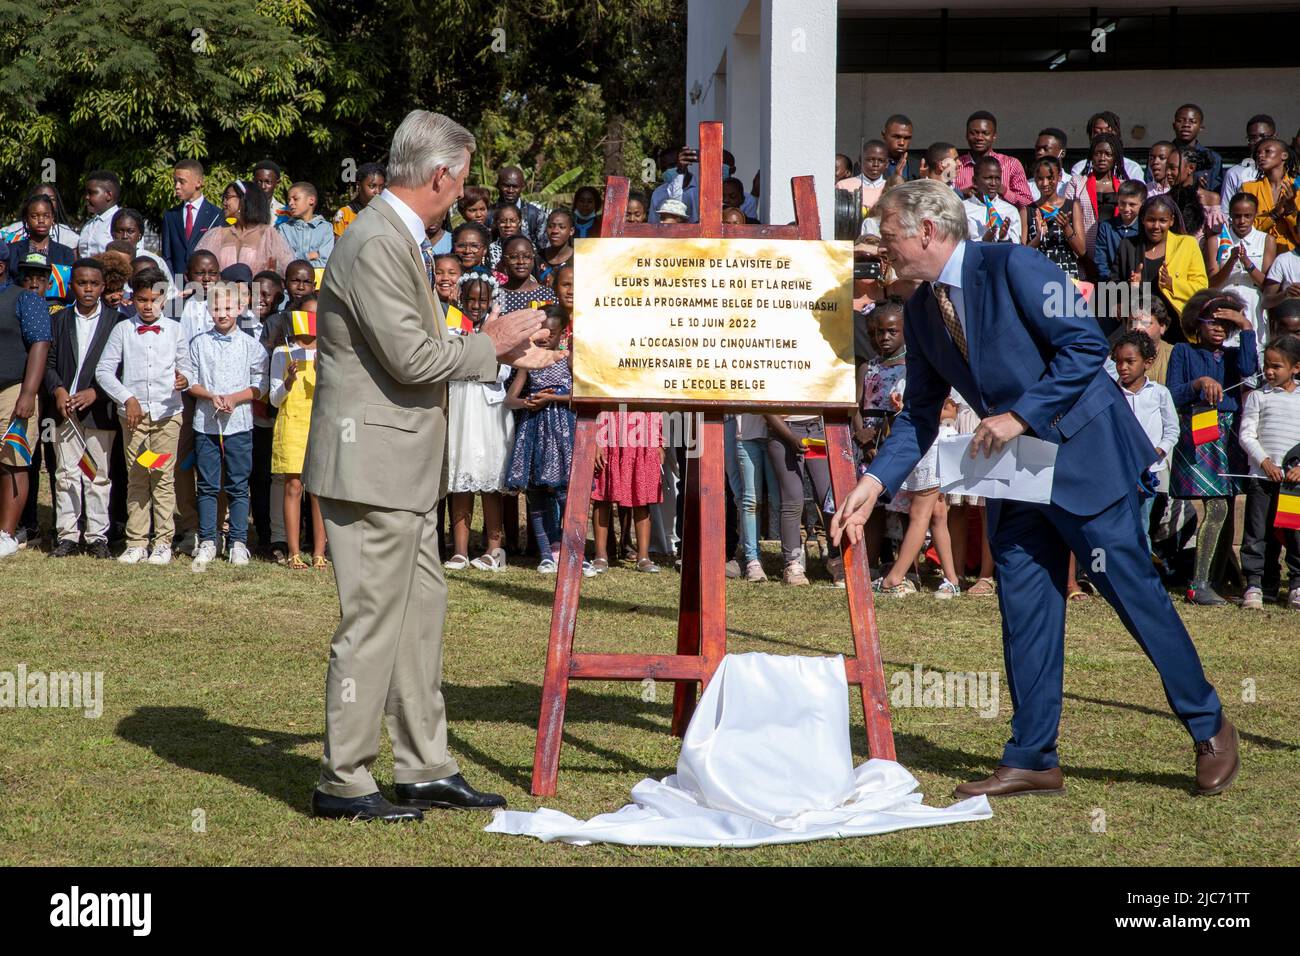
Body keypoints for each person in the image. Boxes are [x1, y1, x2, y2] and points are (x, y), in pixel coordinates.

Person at [831, 179, 1238, 798]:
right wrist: (872, 480)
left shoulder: (1015, 263)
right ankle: (1032, 757)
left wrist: (1020, 415)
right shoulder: (918, 310)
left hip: (1085, 462)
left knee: (1134, 598)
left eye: (887, 236)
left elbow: (1083, 347)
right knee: (1024, 613)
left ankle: (1209, 727)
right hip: (1015, 479)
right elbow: (918, 413)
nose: (880, 248)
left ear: (927, 232)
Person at [303, 109, 552, 822]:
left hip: (399, 467)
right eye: (464, 181)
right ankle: (343, 779)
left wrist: (497, 350)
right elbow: (411, 357)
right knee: (375, 623)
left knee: (419, 619)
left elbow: (415, 347)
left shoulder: (392, 235)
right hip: (372, 465)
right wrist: (493, 340)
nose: (467, 195)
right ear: (440, 176)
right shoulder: (378, 241)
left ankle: (423, 766)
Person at [1167, 290, 1257, 605]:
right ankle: (1199, 584)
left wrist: (1245, 325)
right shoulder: (1182, 351)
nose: (1219, 329)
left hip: (1229, 435)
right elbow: (1172, 394)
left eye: (1226, 324)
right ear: (1197, 322)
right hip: (1197, 433)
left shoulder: (1234, 356)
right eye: (1212, 322)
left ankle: (1216, 580)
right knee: (1217, 506)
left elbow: (1250, 372)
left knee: (1228, 505)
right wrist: (1198, 383)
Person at [94, 267, 187, 564]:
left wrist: (185, 378)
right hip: (134, 417)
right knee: (137, 474)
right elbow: (104, 371)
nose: (148, 306)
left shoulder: (175, 330)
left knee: (161, 475)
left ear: (164, 298)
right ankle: (136, 541)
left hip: (167, 415)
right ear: (133, 299)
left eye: (154, 299)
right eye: (142, 300)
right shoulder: (123, 330)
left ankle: (163, 541)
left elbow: (188, 367)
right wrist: (127, 398)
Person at [185, 276, 269, 570]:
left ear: (239, 308)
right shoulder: (198, 343)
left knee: (237, 483)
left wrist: (236, 397)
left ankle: (238, 542)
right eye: (216, 308)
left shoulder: (250, 345)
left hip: (240, 424)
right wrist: (209, 395)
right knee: (207, 484)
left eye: (228, 308)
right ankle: (208, 539)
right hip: (205, 423)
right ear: (208, 310)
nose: (222, 314)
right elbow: (189, 381)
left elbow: (262, 383)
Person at [44, 259, 124, 558]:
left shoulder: (117, 322)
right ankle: (67, 534)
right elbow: (48, 365)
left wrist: (96, 392)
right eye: (81, 283)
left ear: (103, 287)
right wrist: (59, 390)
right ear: (71, 285)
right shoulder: (59, 320)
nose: (87, 289)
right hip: (65, 410)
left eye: (93, 283)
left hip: (98, 411)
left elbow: (123, 370)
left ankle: (96, 536)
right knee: (65, 472)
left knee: (97, 474)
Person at [444, 273, 514, 572]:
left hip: (487, 410)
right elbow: (449, 364)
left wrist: (478, 350)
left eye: (482, 300)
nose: (475, 305)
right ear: (461, 299)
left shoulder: (500, 329)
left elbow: (499, 372)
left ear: (491, 301)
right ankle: (460, 549)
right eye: (470, 299)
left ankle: (494, 548)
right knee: (460, 477)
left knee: (488, 479)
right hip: (460, 405)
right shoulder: (450, 327)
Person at [505, 305, 580, 574]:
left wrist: (552, 398)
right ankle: (546, 554)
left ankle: (573, 552)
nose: (546, 336)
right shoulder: (528, 359)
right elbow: (509, 399)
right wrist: (527, 401)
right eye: (542, 331)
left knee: (565, 491)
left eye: (553, 331)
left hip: (563, 430)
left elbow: (580, 397)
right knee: (536, 492)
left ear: (563, 333)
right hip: (535, 428)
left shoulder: (568, 358)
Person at [1237, 334, 1300, 610]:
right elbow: (1246, 435)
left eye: (1277, 366)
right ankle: (1256, 584)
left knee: (1295, 533)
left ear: (1296, 368)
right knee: (1257, 531)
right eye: (1266, 365)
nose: (1270, 371)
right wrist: (1264, 462)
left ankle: (1296, 584)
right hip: (1262, 479)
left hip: (1293, 483)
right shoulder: (1258, 397)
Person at [0, 255, 53, 559]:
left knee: (12, 461)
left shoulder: (25, 300)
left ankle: (6, 533)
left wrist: (28, 393)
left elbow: (40, 344)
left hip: (13, 389)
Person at [1111, 331, 1178, 556]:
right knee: (1116, 523)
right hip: (1117, 469)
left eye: (1130, 361)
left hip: (1147, 471)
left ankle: (1142, 576)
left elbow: (1172, 430)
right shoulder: (1110, 394)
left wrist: (1158, 451)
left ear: (1148, 362)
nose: (1123, 367)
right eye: (1118, 362)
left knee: (1141, 524)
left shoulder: (1159, 393)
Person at [269, 308, 325, 569]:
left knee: (318, 491)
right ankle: (293, 552)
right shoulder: (283, 352)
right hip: (292, 424)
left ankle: (319, 552)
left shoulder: (328, 352)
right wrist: (288, 381)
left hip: (320, 426)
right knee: (293, 486)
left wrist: (323, 375)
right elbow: (273, 399)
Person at [1116, 194, 1208, 337]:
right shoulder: (1128, 245)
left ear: (1171, 221)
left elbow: (1202, 289)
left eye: (1162, 220)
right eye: (1151, 220)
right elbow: (1112, 284)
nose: (1156, 226)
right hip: (1140, 328)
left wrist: (1173, 284)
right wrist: (1131, 287)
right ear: (1142, 220)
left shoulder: (1187, 244)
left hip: (1177, 327)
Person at [1206, 192, 1275, 344]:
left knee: (1253, 350)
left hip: (1253, 304)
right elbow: (1212, 284)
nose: (1242, 221)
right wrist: (1231, 261)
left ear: (1255, 215)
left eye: (1247, 216)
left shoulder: (1266, 240)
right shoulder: (1216, 241)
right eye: (1237, 216)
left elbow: (1267, 284)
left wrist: (1247, 263)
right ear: (1230, 215)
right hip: (1224, 302)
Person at [196, 184, 295, 277]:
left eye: (228, 197)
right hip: (221, 293)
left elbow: (289, 270)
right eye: (224, 198)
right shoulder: (217, 234)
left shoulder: (268, 235)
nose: (224, 202)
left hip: (257, 293)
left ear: (244, 199)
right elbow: (197, 266)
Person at [1064, 133, 1129, 271]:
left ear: (1115, 157)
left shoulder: (1125, 186)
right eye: (1097, 153)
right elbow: (1068, 217)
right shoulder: (1077, 183)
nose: (1102, 158)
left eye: (1107, 154)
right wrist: (1085, 258)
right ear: (1091, 156)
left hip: (1117, 256)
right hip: (1083, 256)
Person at [954, 111, 1032, 209]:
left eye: (985, 133)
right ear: (966, 135)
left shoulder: (1011, 164)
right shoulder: (956, 165)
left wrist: (1004, 191)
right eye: (974, 133)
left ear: (994, 136)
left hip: (1004, 222)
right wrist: (961, 194)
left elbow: (1028, 203)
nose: (979, 138)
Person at [162, 159, 222, 277]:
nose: (176, 186)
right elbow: (167, 255)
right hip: (178, 283)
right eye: (175, 182)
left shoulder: (217, 215)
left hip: (206, 283)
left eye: (182, 182)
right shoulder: (170, 215)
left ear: (198, 182)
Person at [1242, 137, 1298, 255]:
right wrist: (1274, 214)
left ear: (1284, 156)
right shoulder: (1248, 188)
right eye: (1258, 153)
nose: (1261, 156)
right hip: (1258, 253)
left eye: (1268, 151)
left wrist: (1290, 210)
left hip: (1291, 254)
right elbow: (1245, 229)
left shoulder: (1297, 188)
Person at [1024, 157, 1078, 274]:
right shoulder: (1028, 210)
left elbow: (1081, 250)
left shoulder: (1071, 206)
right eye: (1040, 179)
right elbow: (1021, 254)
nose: (1045, 183)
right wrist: (1038, 237)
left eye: (1050, 178)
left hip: (1066, 273)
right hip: (1037, 274)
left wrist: (1066, 228)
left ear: (1059, 177)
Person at [8, 193, 76, 279]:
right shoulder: (12, 250)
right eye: (34, 216)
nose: (41, 221)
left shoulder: (65, 253)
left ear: (52, 218)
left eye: (46, 216)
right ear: (26, 219)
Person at [1093, 179, 1146, 282]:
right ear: (1117, 200)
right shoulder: (1106, 227)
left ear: (1142, 204)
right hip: (1110, 283)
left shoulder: (1144, 228)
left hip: (1138, 284)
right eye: (1122, 203)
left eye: (1132, 204)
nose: (1126, 209)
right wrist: (1110, 279)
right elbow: (1100, 258)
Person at [962, 157, 1020, 244]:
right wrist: (982, 241)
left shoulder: (1010, 211)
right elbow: (957, 244)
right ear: (974, 181)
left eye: (997, 178)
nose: (993, 183)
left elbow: (1016, 247)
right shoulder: (962, 209)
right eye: (988, 178)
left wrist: (1003, 238)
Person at [276, 182, 334, 268]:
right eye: (289, 200)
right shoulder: (284, 229)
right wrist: (308, 256)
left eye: (295, 199)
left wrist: (295, 259)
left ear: (311, 200)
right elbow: (282, 263)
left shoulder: (325, 228)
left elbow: (325, 263)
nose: (290, 203)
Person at [1220, 115, 1276, 203]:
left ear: (1275, 137)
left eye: (1263, 136)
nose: (1258, 141)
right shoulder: (1234, 174)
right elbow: (1226, 212)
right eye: (1252, 138)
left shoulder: (1287, 170)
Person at [1172, 104, 1223, 194]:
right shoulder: (1162, 154)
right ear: (1173, 125)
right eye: (1180, 121)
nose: (1186, 125)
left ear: (1201, 128)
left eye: (1192, 121)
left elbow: (1217, 192)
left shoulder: (1213, 158)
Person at [492, 165, 549, 243]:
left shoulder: (535, 215)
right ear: (498, 185)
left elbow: (544, 248)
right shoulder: (488, 214)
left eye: (515, 187)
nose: (510, 190)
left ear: (522, 187)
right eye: (506, 186)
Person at [333, 162, 386, 239]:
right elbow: (340, 249)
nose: (377, 191)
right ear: (358, 185)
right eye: (372, 186)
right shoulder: (344, 215)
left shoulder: (385, 213)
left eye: (381, 187)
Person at [77, 170, 122, 257]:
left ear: (108, 195)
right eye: (86, 193)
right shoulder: (88, 225)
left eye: (92, 193)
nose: (86, 197)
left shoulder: (122, 221)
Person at [1029, 128, 1069, 202]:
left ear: (1062, 153)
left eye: (1046, 149)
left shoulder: (1071, 183)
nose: (1040, 152)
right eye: (1037, 149)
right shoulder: (1028, 186)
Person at [537, 208, 575, 284]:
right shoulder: (537, 257)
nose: (555, 231)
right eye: (550, 226)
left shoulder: (579, 259)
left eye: (562, 227)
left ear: (571, 231)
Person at [882, 114, 921, 181]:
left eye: (907, 138)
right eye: (897, 137)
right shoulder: (868, 165)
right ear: (884, 136)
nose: (902, 143)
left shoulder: (918, 166)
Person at [487, 203, 523, 270]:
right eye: (503, 221)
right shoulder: (490, 250)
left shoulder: (529, 247)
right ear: (497, 223)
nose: (508, 225)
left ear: (520, 222)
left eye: (512, 221)